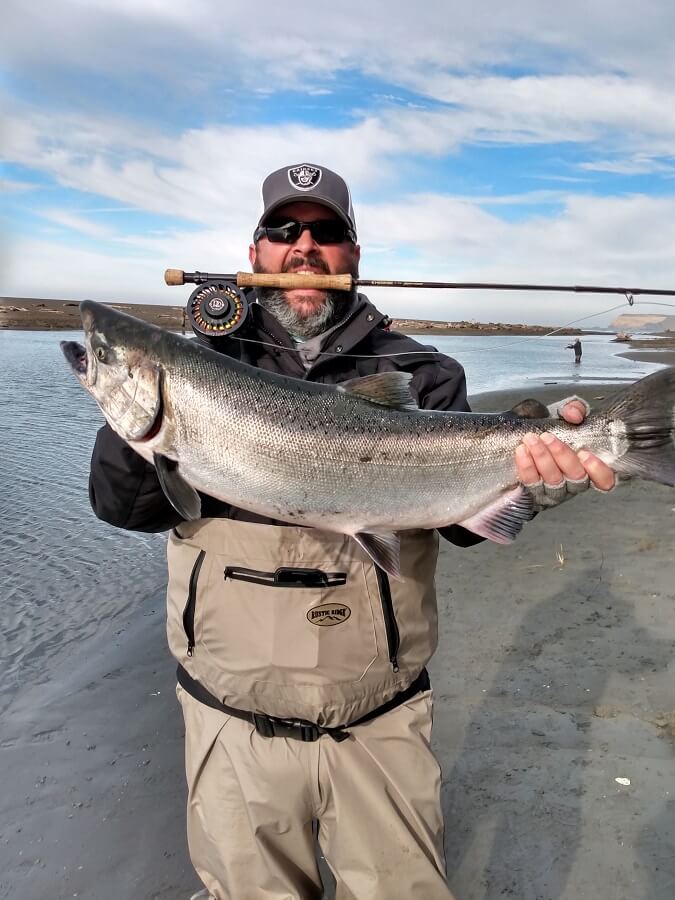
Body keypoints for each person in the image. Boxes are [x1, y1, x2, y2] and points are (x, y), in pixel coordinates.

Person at [88, 163, 615, 900]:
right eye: (283, 230)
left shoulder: (421, 372)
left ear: (353, 255)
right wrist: (146, 402)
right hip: (227, 720)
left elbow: (463, 531)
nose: (304, 246)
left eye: (326, 232)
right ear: (255, 252)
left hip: (380, 720)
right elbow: (124, 509)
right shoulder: (204, 366)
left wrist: (541, 476)